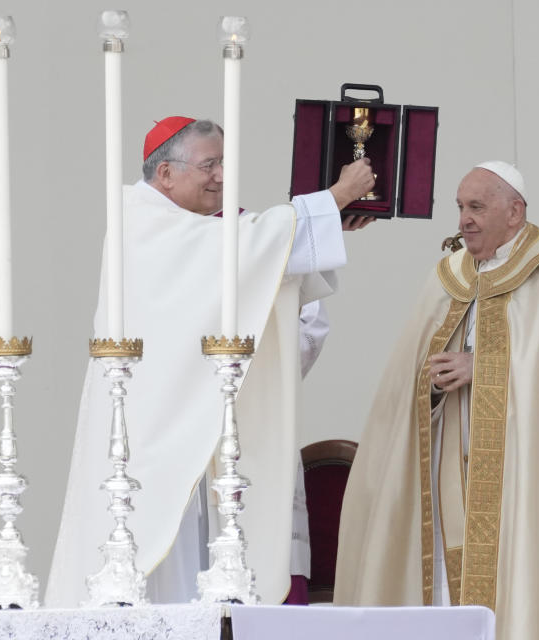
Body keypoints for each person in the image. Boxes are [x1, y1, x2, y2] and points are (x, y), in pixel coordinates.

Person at [46, 117, 375, 606]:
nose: (222, 175)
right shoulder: (146, 224)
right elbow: (238, 249)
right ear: (165, 175)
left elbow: (250, 258)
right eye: (209, 164)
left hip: (199, 430)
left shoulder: (198, 230)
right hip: (153, 437)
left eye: (224, 162)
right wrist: (333, 199)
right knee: (159, 570)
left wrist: (325, 227)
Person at [334, 162, 539, 640]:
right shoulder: (450, 275)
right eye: (460, 207)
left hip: (529, 478)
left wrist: (483, 369)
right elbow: (407, 375)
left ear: (515, 212)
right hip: (448, 477)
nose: (463, 220)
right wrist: (436, 383)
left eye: (477, 208)